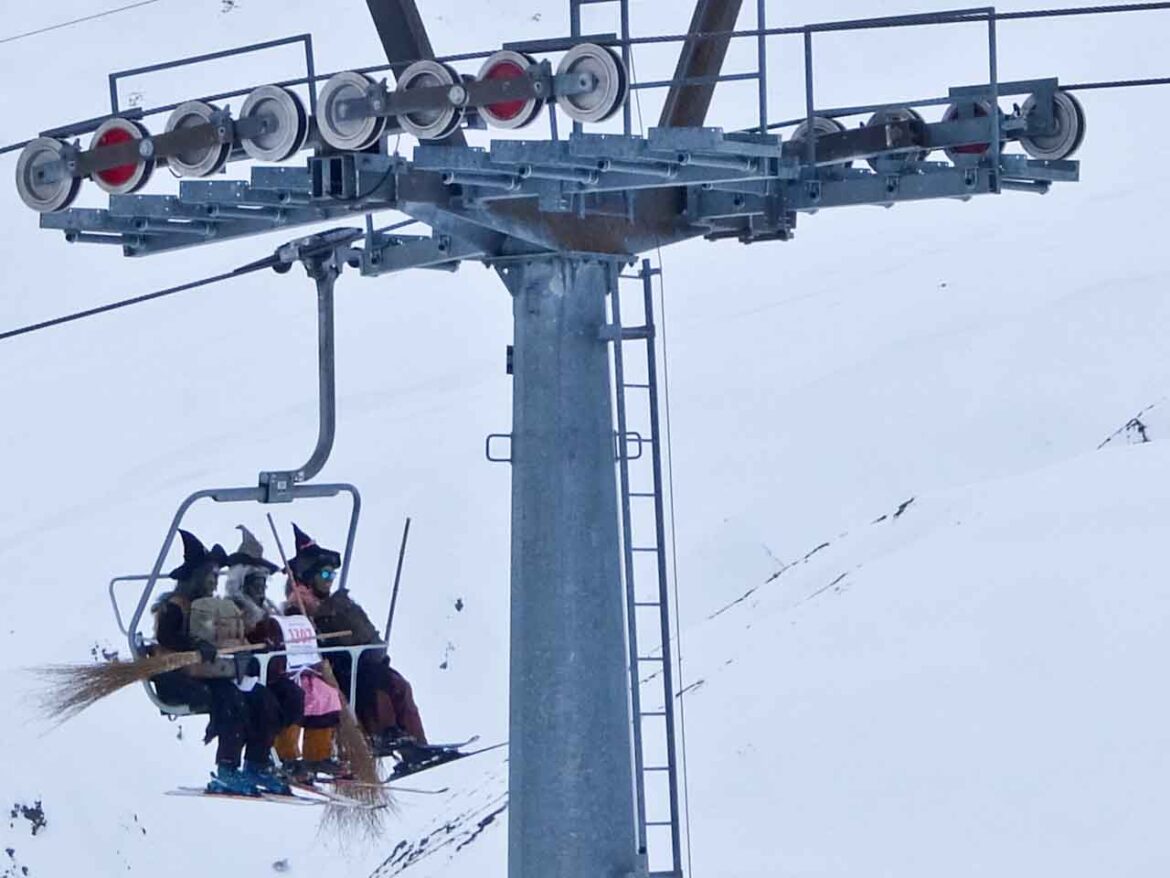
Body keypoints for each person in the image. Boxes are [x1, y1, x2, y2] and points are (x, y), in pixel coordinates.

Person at [151, 529, 289, 796]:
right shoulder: (176, 606)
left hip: (215, 671)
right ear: (195, 577)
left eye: (216, 576)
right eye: (210, 576)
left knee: (264, 700)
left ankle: (257, 763)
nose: (214, 582)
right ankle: (227, 768)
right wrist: (194, 646)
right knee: (232, 703)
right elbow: (167, 636)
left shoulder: (211, 606)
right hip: (182, 675)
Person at [286, 524, 428, 759]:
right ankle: (384, 733)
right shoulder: (300, 606)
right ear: (309, 575)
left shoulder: (332, 604)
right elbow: (308, 642)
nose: (330, 580)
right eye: (325, 574)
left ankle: (417, 745)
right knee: (375, 682)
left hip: (355, 663)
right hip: (333, 670)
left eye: (332, 574)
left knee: (399, 683)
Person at [225, 525, 341, 780]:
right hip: (252, 671)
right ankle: (282, 755)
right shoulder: (236, 608)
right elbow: (236, 637)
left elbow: (279, 632)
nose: (261, 589)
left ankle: (317, 755)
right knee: (278, 701)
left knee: (318, 695)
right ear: (243, 583)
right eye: (256, 583)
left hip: (278, 668)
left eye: (264, 583)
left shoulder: (268, 609)